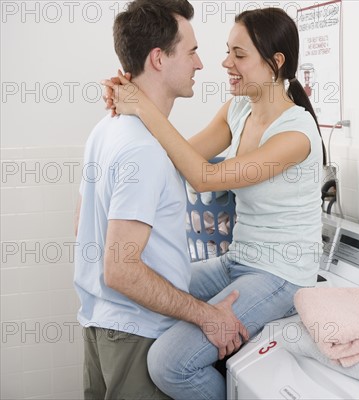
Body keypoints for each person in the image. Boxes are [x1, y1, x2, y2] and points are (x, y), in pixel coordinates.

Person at [103, 7, 326, 399]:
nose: (225, 63)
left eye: (239, 55)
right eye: (228, 52)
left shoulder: (297, 133)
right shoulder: (238, 109)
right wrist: (130, 104)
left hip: (281, 275)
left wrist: (143, 106)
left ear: (276, 63)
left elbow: (204, 176)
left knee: (168, 364)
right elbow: (181, 155)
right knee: (154, 284)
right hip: (237, 261)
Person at [75, 1, 248, 398]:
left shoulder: (106, 129)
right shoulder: (143, 150)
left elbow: (84, 229)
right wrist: (206, 315)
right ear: (158, 59)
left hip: (100, 329)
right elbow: (120, 269)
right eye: (191, 52)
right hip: (137, 338)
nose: (202, 64)